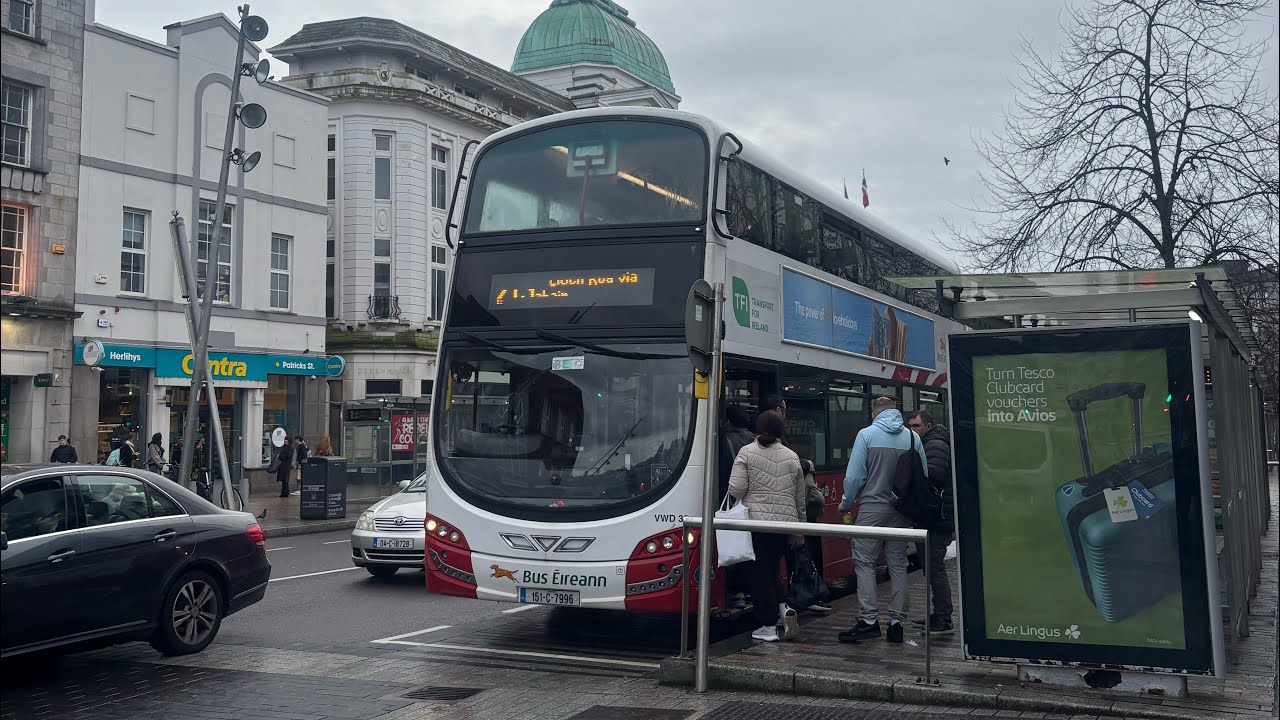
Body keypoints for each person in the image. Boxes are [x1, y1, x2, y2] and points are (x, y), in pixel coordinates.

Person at [836, 396, 927, 644]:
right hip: (902, 511)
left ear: (874, 414)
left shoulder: (866, 434)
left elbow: (854, 477)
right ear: (896, 413)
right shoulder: (912, 437)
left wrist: (845, 503)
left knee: (864, 561)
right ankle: (897, 623)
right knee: (898, 564)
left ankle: (868, 620)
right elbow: (923, 475)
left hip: (872, 509)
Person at [728, 409, 806, 643]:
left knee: (759, 576)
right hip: (784, 526)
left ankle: (768, 625)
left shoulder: (746, 452)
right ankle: (784, 610)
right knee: (772, 571)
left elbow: (736, 489)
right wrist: (800, 529)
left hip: (757, 524)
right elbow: (799, 497)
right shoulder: (792, 456)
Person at [759, 394, 832, 614]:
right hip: (786, 512)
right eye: (784, 409)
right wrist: (805, 464)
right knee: (791, 557)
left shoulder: (749, 450)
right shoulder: (784, 451)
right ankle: (793, 602)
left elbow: (737, 487)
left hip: (763, 515)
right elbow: (799, 492)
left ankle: (785, 605)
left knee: (771, 563)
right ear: (779, 412)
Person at [907, 410, 954, 635]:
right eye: (910, 426)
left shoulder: (934, 445)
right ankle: (939, 614)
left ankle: (944, 619)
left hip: (938, 518)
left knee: (935, 568)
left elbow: (931, 477)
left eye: (916, 426)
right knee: (932, 568)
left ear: (928, 425)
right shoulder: (931, 442)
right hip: (937, 517)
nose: (912, 430)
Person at [719, 405, 757, 610]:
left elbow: (731, 480)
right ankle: (752, 589)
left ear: (728, 422)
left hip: (735, 502)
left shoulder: (726, 441)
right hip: (757, 503)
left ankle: (736, 592)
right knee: (751, 547)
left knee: (735, 546)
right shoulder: (757, 441)